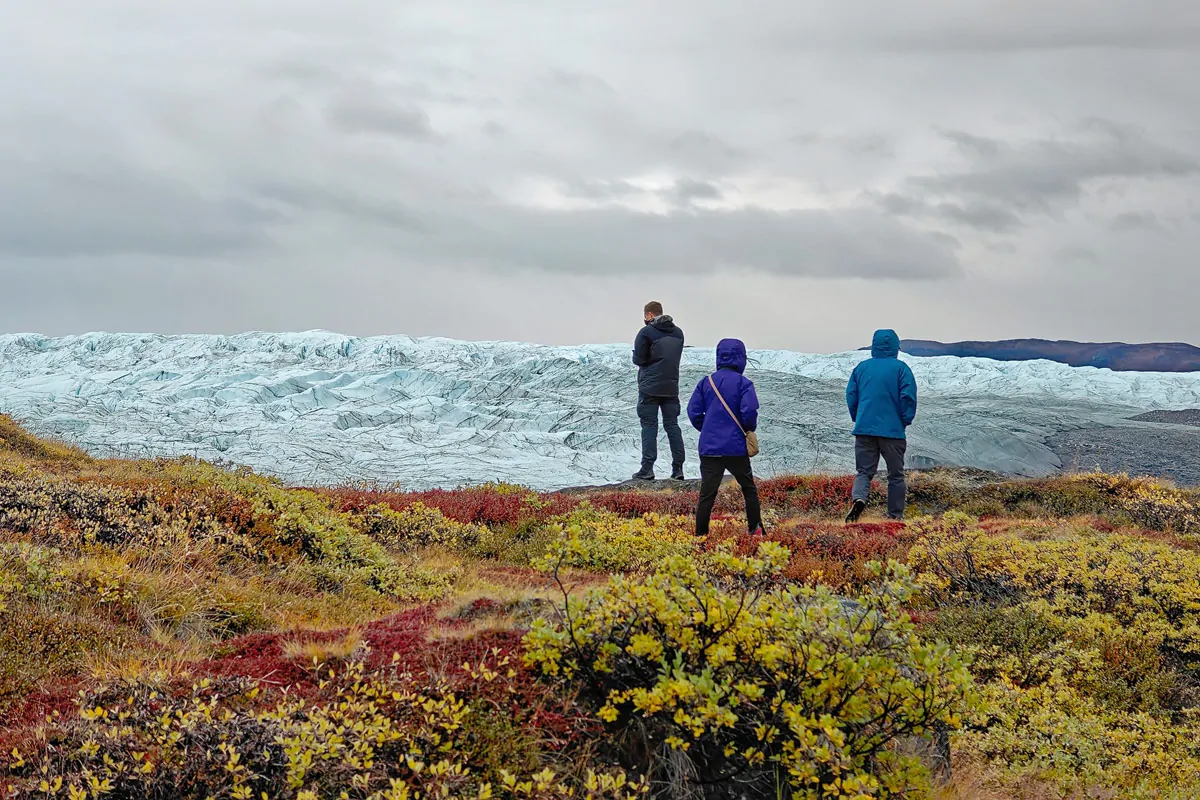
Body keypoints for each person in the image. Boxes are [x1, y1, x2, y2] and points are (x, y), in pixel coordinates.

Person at [687, 338, 763, 537]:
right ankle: (755, 530)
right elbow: (749, 411)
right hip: (736, 447)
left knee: (707, 494)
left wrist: (707, 429)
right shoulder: (744, 383)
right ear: (741, 358)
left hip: (710, 448)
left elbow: (693, 412)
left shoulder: (706, 382)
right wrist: (747, 429)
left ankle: (700, 536)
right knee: (748, 488)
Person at [844, 329, 918, 523]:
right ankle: (894, 517)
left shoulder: (861, 368)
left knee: (864, 472)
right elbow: (908, 397)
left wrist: (858, 417)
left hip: (864, 429)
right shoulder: (901, 369)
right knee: (896, 475)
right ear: (895, 347)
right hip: (892, 431)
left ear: (874, 345)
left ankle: (859, 499)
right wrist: (905, 419)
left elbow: (851, 396)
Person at [631, 301, 686, 481]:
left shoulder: (646, 332)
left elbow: (639, 359)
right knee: (672, 425)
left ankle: (647, 469)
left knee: (649, 426)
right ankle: (678, 469)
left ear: (649, 315)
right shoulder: (678, 333)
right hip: (671, 387)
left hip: (649, 388)